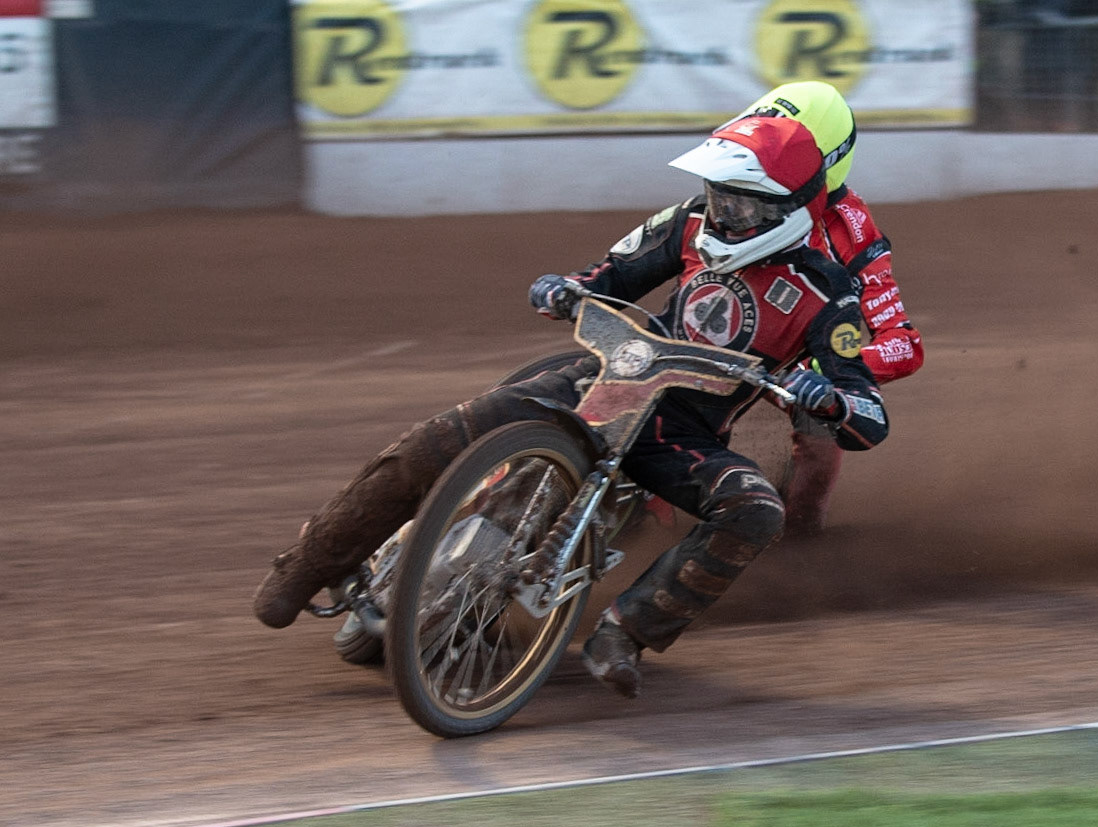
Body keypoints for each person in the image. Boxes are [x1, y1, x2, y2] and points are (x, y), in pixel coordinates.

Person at [252, 116, 889, 699]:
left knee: (756, 510)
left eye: (741, 203)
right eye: (719, 196)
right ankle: (306, 567)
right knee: (438, 438)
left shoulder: (827, 292)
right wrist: (565, 289)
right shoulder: (686, 223)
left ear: (789, 208)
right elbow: (605, 277)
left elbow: (869, 414)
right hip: (600, 381)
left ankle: (626, 632)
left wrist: (831, 398)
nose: (724, 213)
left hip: (681, 434)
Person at [724, 81, 922, 532]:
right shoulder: (729, 186)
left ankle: (799, 532)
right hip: (721, 330)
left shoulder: (852, 230)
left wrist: (824, 369)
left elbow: (904, 344)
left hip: (792, 365)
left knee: (821, 426)